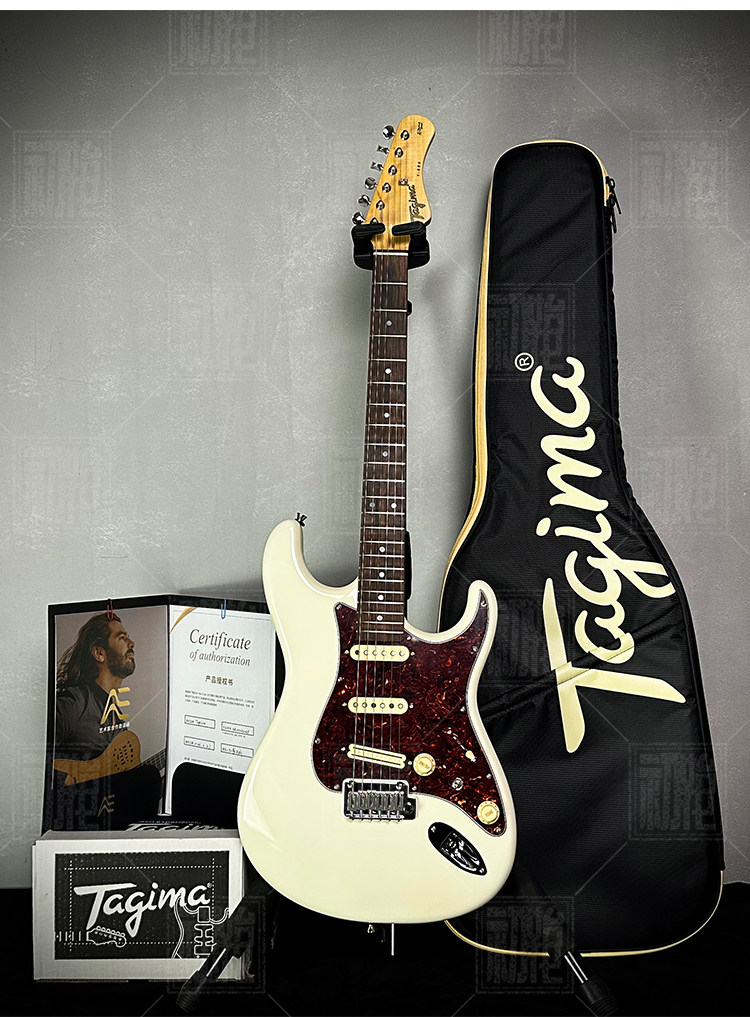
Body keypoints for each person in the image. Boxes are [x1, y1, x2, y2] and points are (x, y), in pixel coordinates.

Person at [55, 612, 136, 761]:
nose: (131, 643)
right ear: (99, 653)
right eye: (122, 638)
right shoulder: (75, 703)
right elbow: (36, 753)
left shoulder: (121, 727)